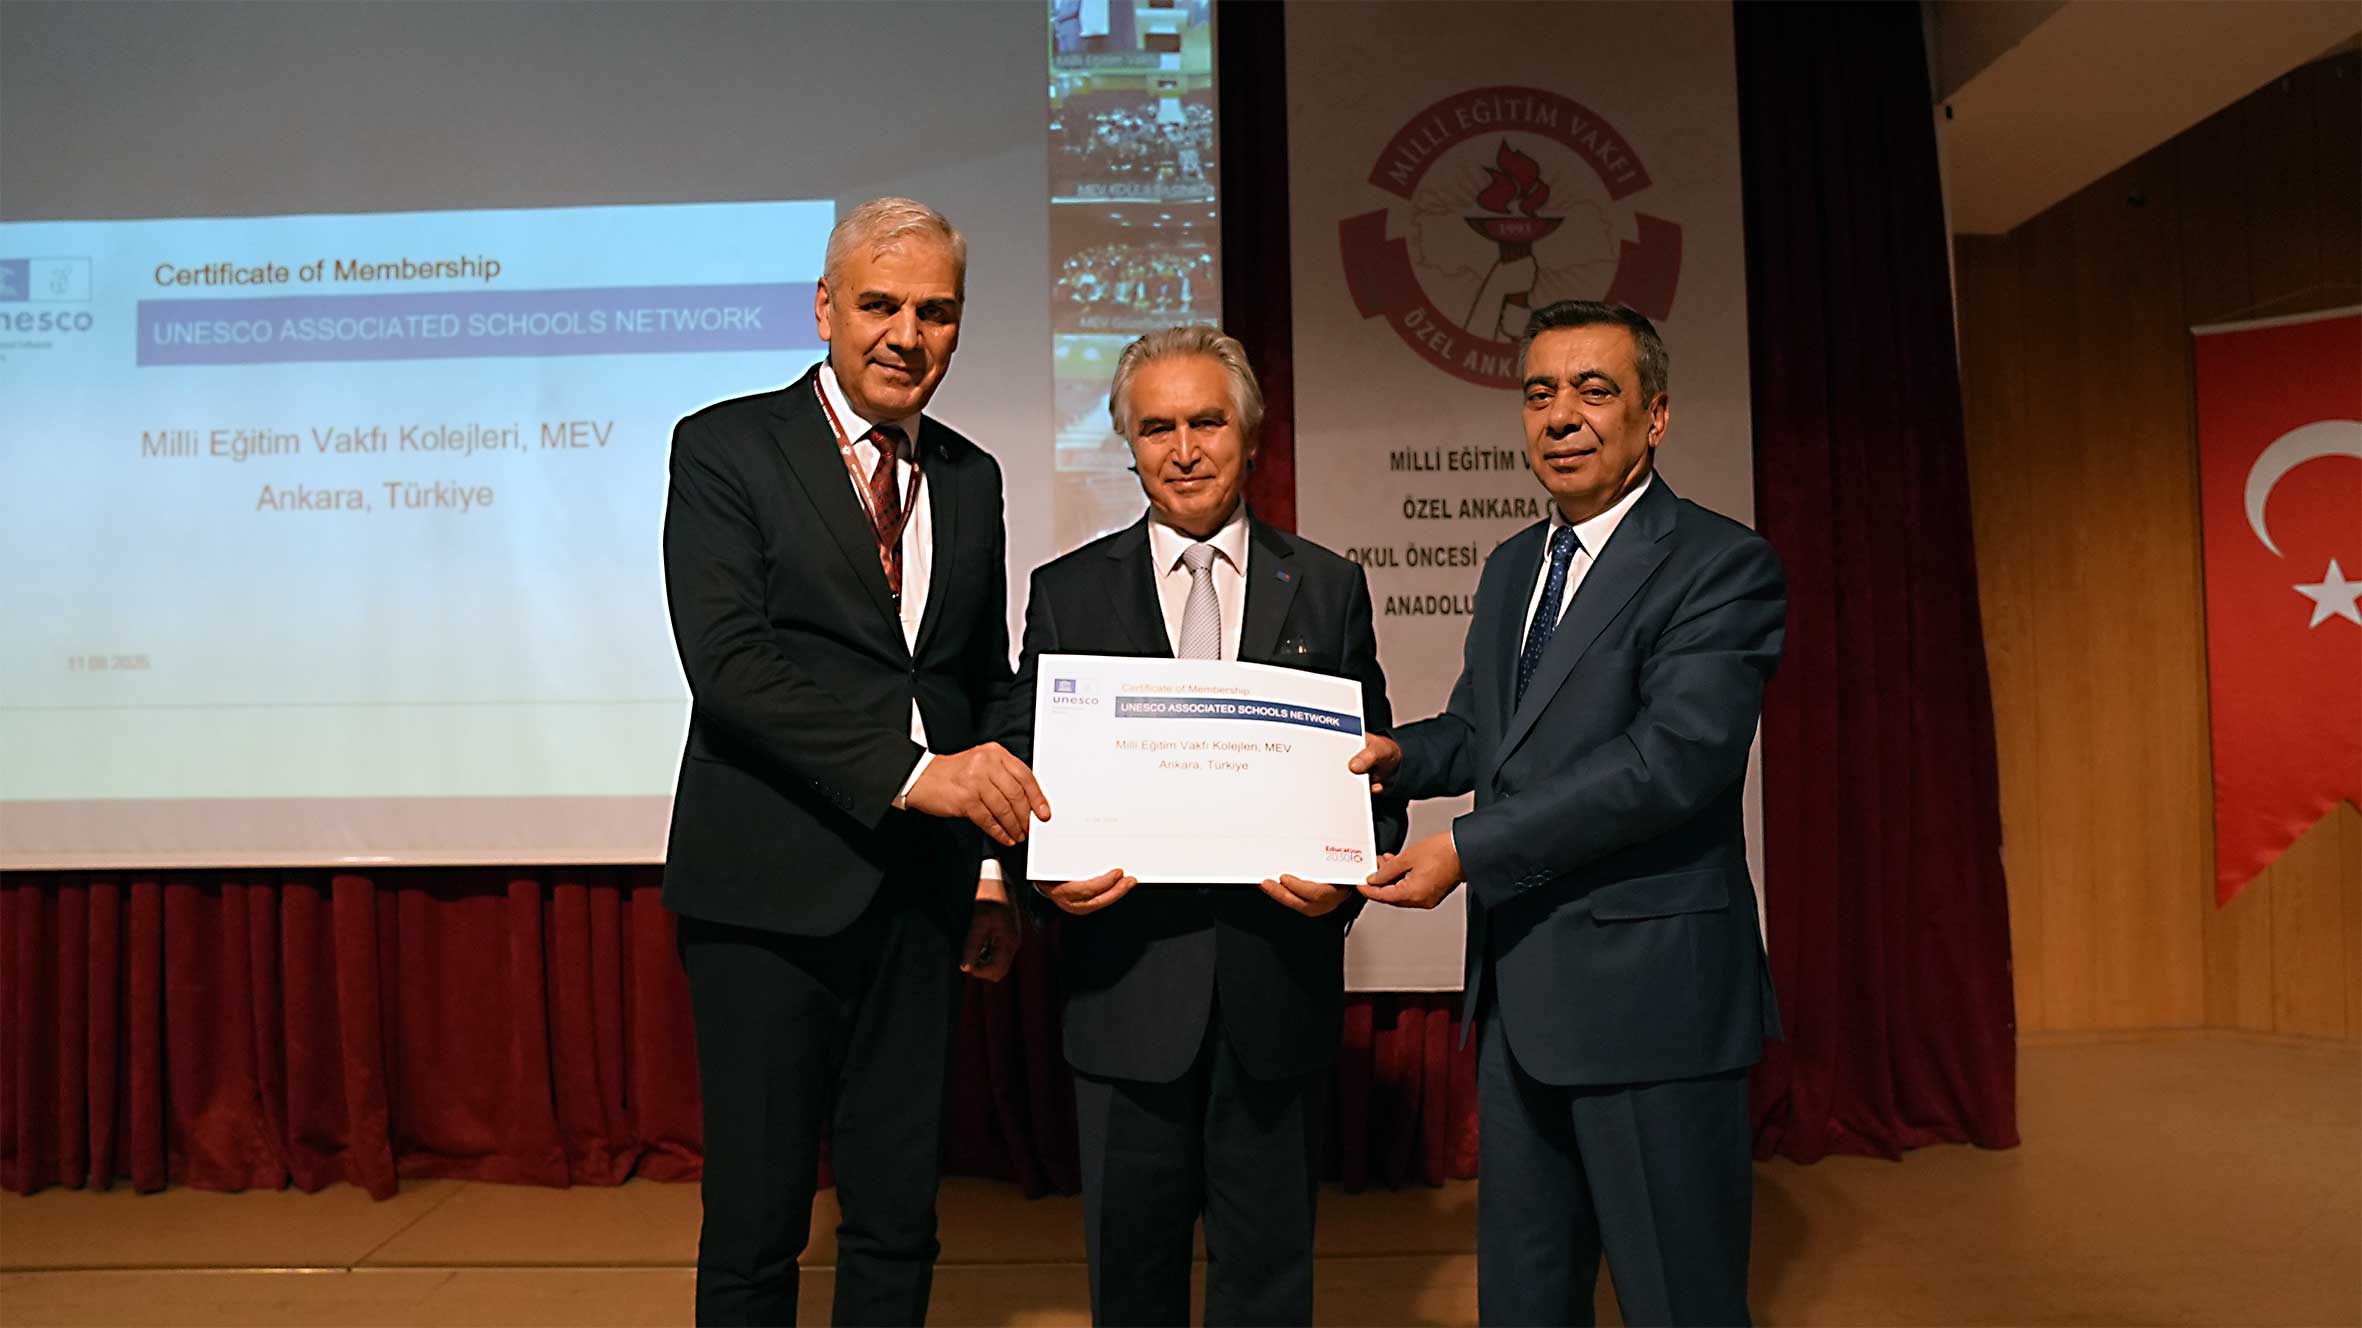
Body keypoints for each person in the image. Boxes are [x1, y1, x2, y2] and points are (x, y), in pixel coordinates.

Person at [1351, 301, 1786, 1326]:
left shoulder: (1721, 564)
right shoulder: (1515, 565)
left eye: (1594, 390)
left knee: (1676, 1300)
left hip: (1653, 1003)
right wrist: (1397, 759)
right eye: (1539, 392)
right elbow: (1485, 732)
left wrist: (1467, 849)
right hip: (1521, 1000)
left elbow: (1664, 765)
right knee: (1526, 1298)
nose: (1560, 416)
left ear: (1655, 415)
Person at [660, 197, 1046, 1327]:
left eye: (936, 311)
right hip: (764, 896)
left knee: (898, 1215)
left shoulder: (971, 474)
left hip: (922, 898)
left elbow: (977, 682)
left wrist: (990, 869)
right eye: (881, 305)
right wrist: (918, 776)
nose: (906, 336)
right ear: (824, 308)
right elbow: (730, 666)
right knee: (756, 1222)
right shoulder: (725, 446)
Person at [999, 326, 1405, 1325]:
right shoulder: (1067, 592)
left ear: (1250, 436)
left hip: (1276, 990)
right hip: (1124, 990)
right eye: (1157, 428)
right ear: (1128, 445)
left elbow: (1377, 774)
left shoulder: (1327, 587)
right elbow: (1020, 766)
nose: (1184, 449)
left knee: (1268, 1281)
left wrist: (1347, 877)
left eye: (1207, 422)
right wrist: (1040, 871)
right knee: (1130, 1282)